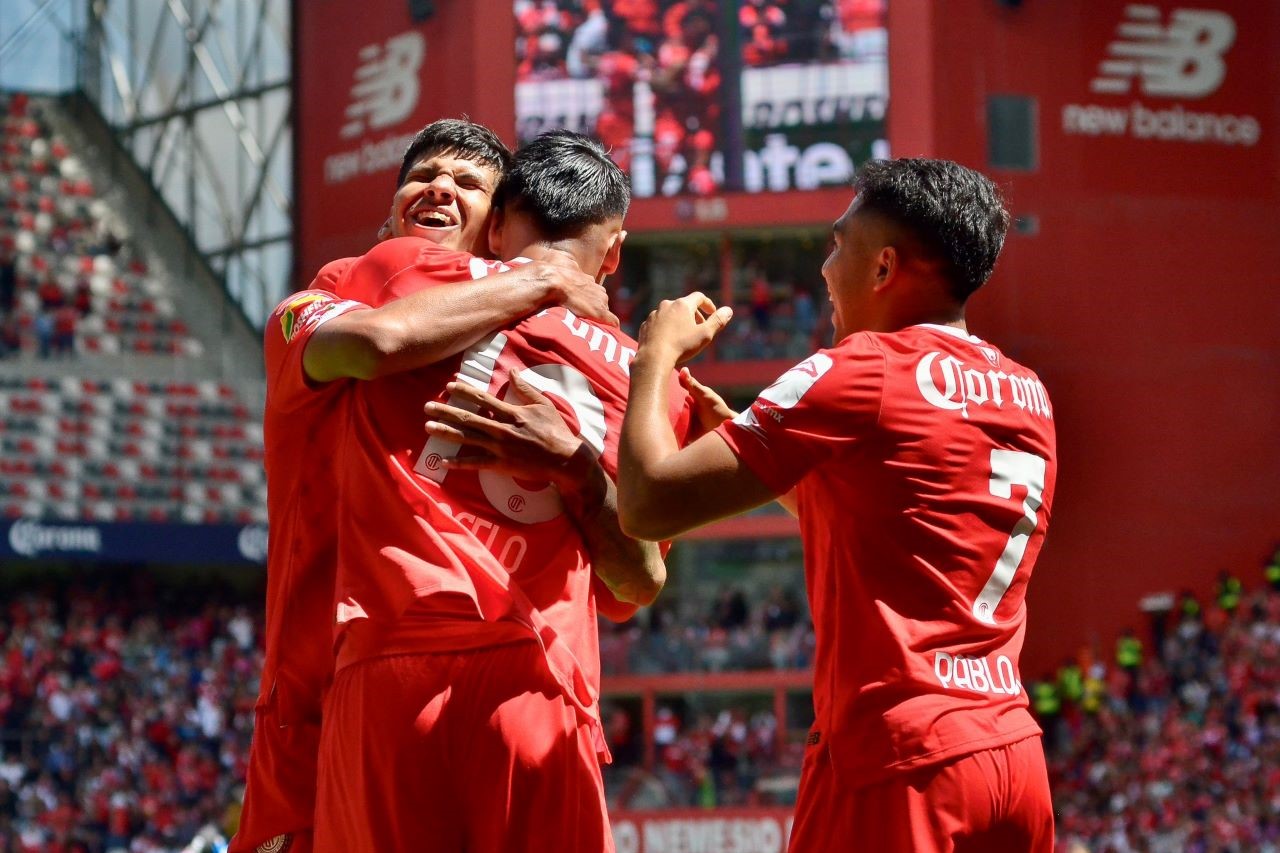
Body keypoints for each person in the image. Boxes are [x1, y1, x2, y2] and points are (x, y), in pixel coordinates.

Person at [616, 158, 1058, 851]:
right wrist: (749, 440)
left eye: (836, 245)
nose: (825, 270)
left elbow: (645, 504)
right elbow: (883, 512)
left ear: (882, 267)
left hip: (898, 757)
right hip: (1012, 758)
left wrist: (652, 359)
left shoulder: (862, 367)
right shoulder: (1028, 392)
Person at [233, 120, 615, 853]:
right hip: (319, 710)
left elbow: (634, 577)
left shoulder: (563, 363)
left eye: (470, 183)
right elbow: (376, 342)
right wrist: (541, 275)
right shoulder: (322, 302)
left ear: (499, 229)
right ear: (389, 217)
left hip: (512, 687)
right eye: (423, 175)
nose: (440, 185)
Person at [309, 130, 692, 853]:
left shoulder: (398, 268)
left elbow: (365, 343)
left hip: (390, 670)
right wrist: (578, 467)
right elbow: (635, 581)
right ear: (614, 251)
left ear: (495, 226)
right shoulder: (653, 383)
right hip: (538, 682)